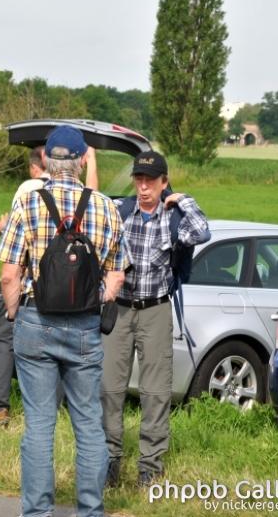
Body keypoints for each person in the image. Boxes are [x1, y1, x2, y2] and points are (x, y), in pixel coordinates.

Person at [0, 125, 125, 517]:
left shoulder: (28, 203)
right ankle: (91, 510)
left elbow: (9, 275)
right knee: (88, 423)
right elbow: (117, 277)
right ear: (83, 160)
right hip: (84, 326)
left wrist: (15, 312)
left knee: (39, 424)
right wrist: (95, 300)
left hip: (36, 319)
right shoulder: (106, 207)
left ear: (45, 161)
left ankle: (38, 512)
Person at [101, 151, 210, 488]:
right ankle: (109, 459)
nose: (144, 187)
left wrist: (183, 200)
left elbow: (202, 232)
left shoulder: (174, 217)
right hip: (119, 309)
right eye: (139, 179)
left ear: (164, 182)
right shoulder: (120, 212)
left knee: (156, 391)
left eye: (151, 180)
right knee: (109, 387)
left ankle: (150, 466)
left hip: (156, 310)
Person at [0, 145, 96, 426]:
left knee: (5, 342)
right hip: (70, 291)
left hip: (26, 288)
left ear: (41, 163)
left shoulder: (28, 191)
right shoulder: (83, 196)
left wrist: (11, 308)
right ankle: (54, 409)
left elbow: (13, 252)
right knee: (60, 351)